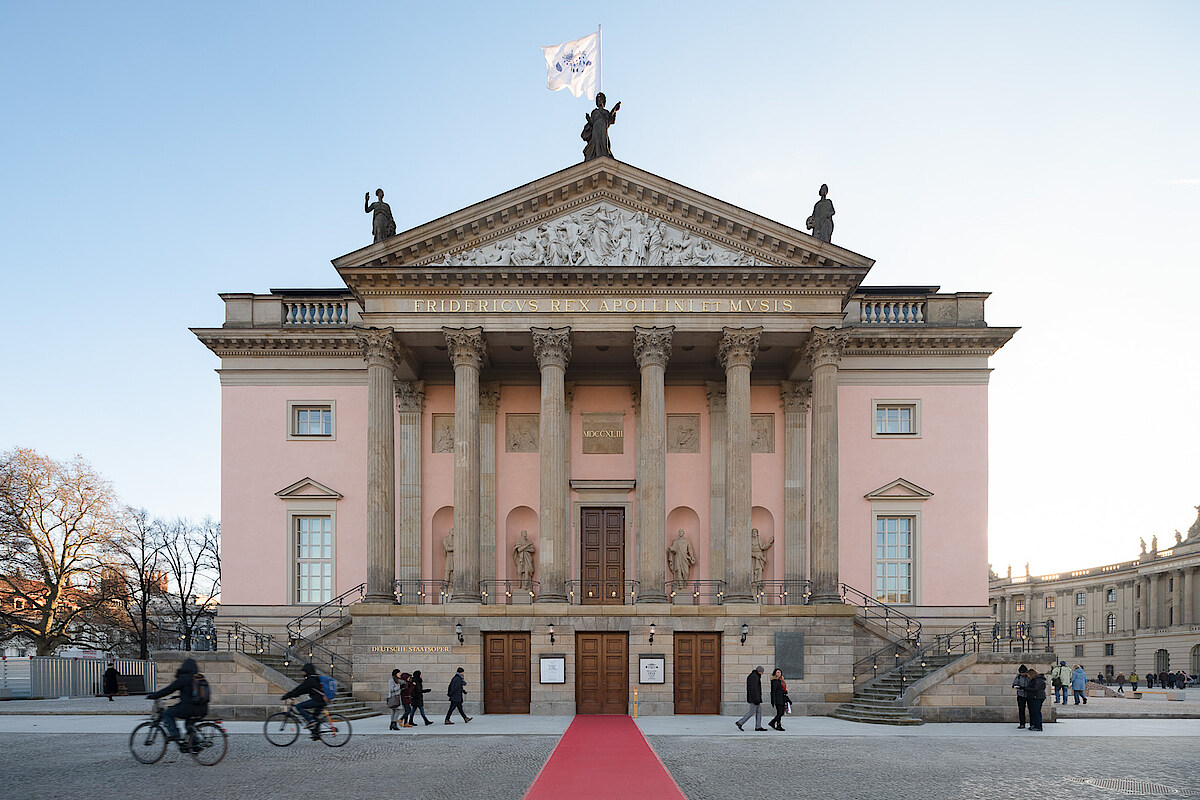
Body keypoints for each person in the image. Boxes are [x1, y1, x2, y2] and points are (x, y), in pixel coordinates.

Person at [146, 657, 209, 751]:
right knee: (188, 725)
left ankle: (175, 735)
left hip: (189, 708)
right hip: (203, 709)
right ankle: (195, 745)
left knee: (167, 714)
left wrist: (154, 695)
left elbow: (169, 689)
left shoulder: (184, 678)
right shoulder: (200, 678)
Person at [281, 662, 327, 739]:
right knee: (315, 718)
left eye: (304, 671)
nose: (302, 672)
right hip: (322, 700)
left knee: (299, 707)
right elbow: (304, 690)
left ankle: (311, 721)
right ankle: (316, 734)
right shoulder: (315, 678)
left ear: (307, 671)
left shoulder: (310, 680)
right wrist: (295, 694)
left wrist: (289, 695)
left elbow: (300, 689)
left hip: (317, 700)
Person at [581, 92, 621, 160]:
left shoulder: (606, 112)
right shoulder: (594, 112)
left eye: (601, 99)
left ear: (604, 101)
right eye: (598, 100)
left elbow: (610, 120)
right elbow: (592, 123)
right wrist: (588, 119)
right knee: (597, 141)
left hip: (603, 127)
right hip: (596, 128)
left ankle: (604, 155)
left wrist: (615, 110)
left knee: (603, 141)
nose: (599, 101)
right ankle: (598, 156)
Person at [735, 666, 767, 731]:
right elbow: (754, 689)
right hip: (754, 698)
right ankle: (740, 722)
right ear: (760, 671)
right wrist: (756, 699)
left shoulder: (754, 676)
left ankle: (758, 726)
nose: (762, 673)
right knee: (752, 711)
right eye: (762, 672)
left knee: (759, 712)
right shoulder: (754, 677)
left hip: (755, 698)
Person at [1026, 667, 1047, 731]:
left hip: (1037, 697)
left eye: (1029, 675)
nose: (1028, 677)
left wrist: (1025, 688)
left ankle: (1038, 726)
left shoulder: (1038, 680)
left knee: (1036, 712)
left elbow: (1035, 689)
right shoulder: (1036, 679)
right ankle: (1035, 725)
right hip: (1035, 697)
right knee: (1034, 712)